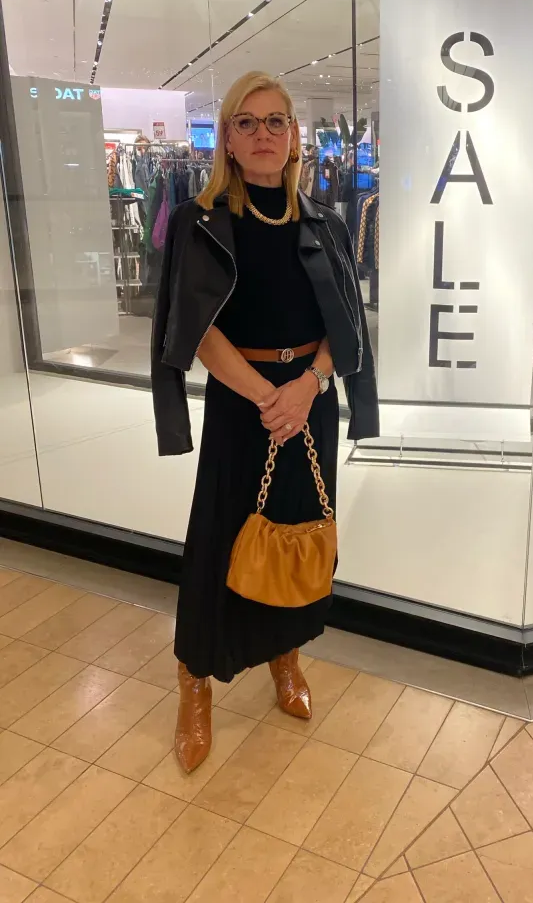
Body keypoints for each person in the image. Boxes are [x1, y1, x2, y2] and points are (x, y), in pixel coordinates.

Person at [150, 71, 379, 774]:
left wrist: (306, 388)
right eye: (246, 123)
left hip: (309, 403)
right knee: (220, 540)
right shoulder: (199, 221)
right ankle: (195, 682)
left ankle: (286, 654)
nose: (262, 134)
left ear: (293, 136)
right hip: (242, 405)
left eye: (276, 121)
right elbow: (197, 332)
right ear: (227, 138)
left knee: (298, 533)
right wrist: (266, 398)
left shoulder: (325, 222)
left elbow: (345, 324)